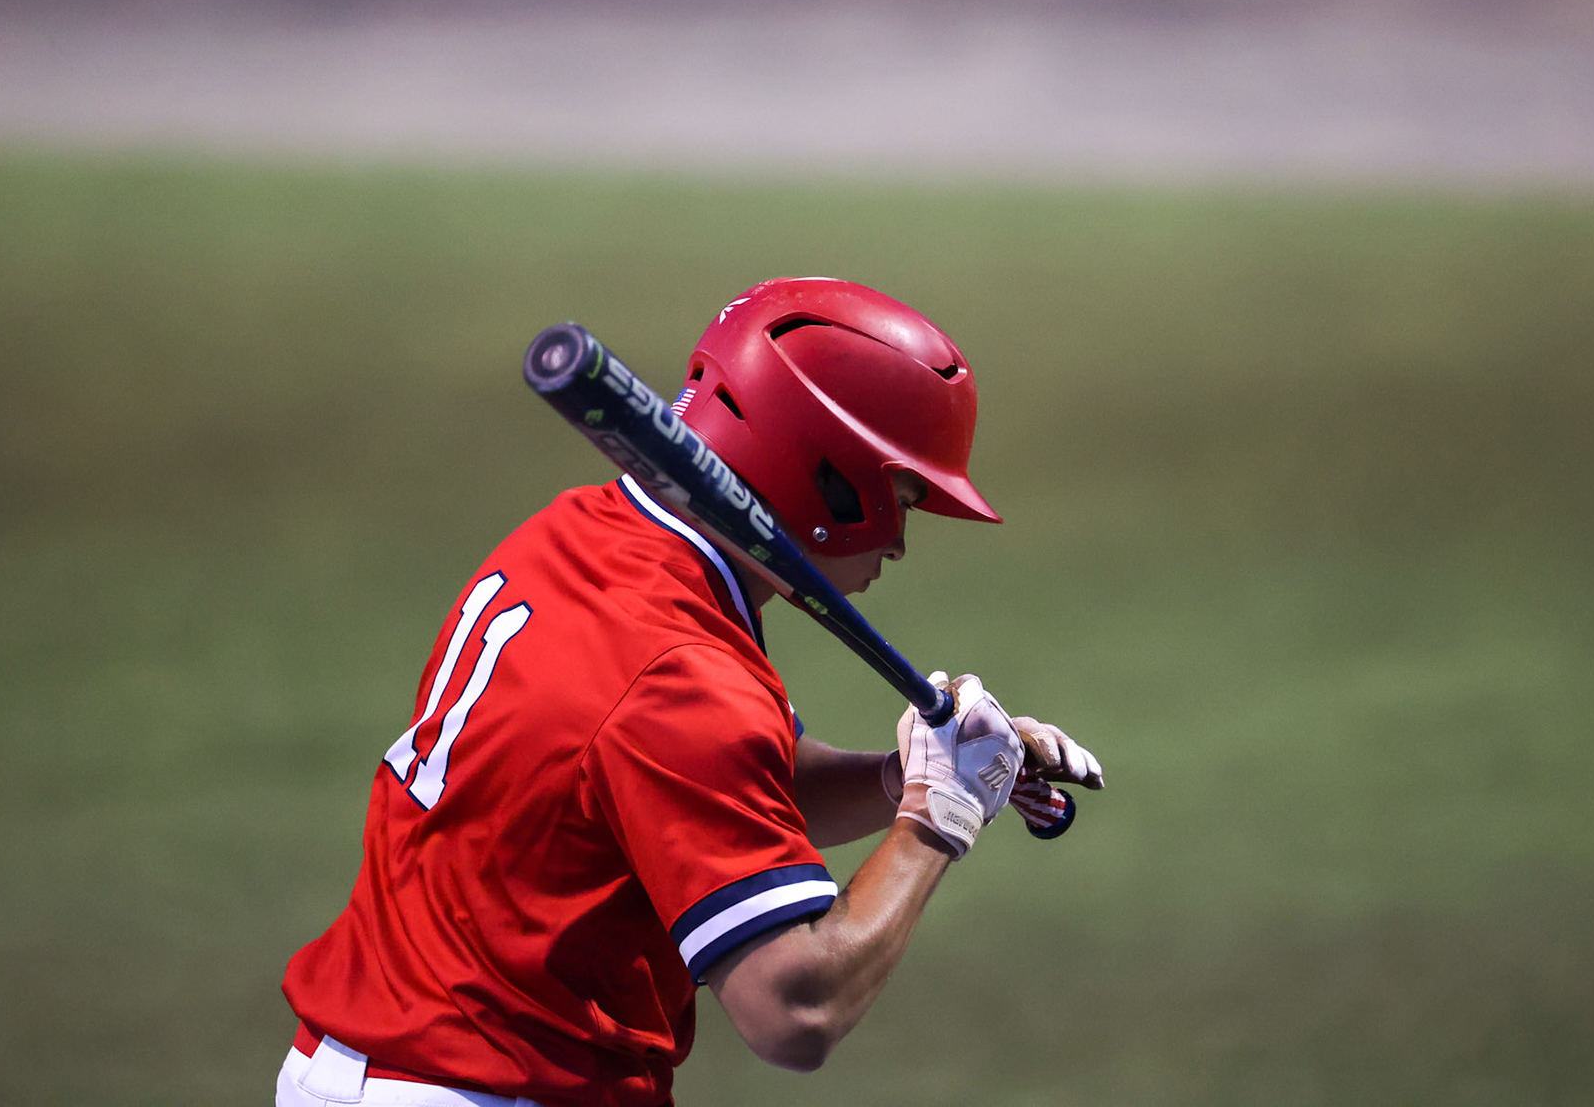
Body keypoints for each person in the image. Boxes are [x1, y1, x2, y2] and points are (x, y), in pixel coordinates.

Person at [277, 277, 1105, 1107]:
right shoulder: (682, 676)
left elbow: (723, 793)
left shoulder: (583, 538)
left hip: (380, 1064)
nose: (901, 542)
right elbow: (795, 1010)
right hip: (480, 1086)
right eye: (905, 497)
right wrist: (937, 822)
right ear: (832, 476)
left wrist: (906, 775)